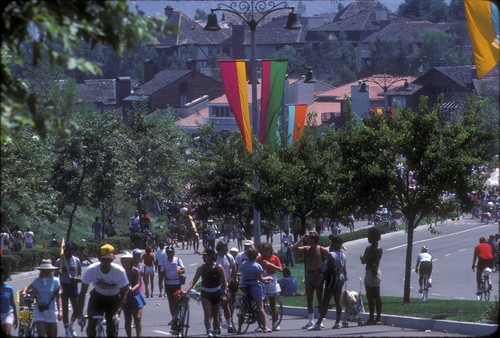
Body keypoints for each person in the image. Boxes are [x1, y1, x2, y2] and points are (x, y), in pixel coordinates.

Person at [76, 244, 129, 338]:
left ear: (113, 259)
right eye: (103, 260)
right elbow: (83, 293)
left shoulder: (119, 271)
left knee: (111, 326)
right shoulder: (91, 270)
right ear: (99, 259)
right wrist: (80, 314)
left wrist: (117, 312)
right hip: (97, 297)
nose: (106, 263)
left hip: (113, 298)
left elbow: (123, 294)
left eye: (108, 260)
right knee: (92, 323)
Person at [186, 248, 227, 338]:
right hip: (205, 293)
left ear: (211, 256)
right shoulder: (201, 268)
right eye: (203, 256)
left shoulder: (219, 268)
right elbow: (194, 280)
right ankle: (209, 331)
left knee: (215, 314)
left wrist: (225, 293)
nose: (203, 258)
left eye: (205, 256)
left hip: (216, 293)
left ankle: (215, 332)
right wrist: (188, 289)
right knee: (207, 312)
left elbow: (224, 281)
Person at [292, 232, 329, 329]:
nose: (308, 240)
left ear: (315, 239)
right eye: (308, 238)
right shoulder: (306, 249)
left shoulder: (321, 249)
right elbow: (293, 249)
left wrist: (325, 269)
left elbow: (330, 257)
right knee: (309, 298)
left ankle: (320, 320)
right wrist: (302, 239)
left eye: (310, 238)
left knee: (320, 298)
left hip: (318, 275)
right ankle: (311, 321)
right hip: (309, 274)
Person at [310, 236, 347, 330]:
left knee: (325, 301)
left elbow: (328, 269)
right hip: (340, 278)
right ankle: (337, 322)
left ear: (333, 244)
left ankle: (318, 323)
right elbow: (344, 270)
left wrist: (322, 279)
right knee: (338, 300)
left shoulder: (332, 255)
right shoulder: (343, 255)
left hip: (332, 279)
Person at [22, 259, 62, 337]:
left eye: (47, 270)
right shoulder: (37, 281)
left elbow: (59, 297)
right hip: (39, 309)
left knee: (50, 334)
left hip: (51, 309)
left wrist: (61, 311)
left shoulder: (56, 281)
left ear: (51, 271)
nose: (45, 272)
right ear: (41, 271)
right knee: (41, 334)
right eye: (43, 270)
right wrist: (24, 292)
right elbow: (27, 287)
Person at [239, 248, 273, 333]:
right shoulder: (257, 266)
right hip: (254, 285)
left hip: (245, 284)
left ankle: (239, 328)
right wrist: (268, 278)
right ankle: (264, 327)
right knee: (260, 306)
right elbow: (261, 279)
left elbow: (242, 273)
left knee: (243, 308)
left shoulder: (243, 264)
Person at [54, 241, 82, 337]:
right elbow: (54, 275)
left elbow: (79, 272)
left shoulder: (76, 260)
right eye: (67, 250)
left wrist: (77, 278)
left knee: (77, 309)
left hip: (73, 286)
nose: (69, 252)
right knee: (65, 310)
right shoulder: (59, 261)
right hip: (63, 286)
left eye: (70, 250)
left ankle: (71, 326)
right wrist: (58, 271)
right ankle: (66, 330)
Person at [256, 243, 282, 331]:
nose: (265, 252)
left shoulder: (275, 258)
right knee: (260, 304)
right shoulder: (259, 259)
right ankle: (261, 324)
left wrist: (270, 264)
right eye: (263, 250)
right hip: (262, 279)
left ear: (270, 251)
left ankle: (275, 322)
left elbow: (280, 269)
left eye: (267, 250)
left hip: (271, 279)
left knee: (272, 303)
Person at [360, 227, 383, 325]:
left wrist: (363, 257)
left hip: (374, 273)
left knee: (376, 296)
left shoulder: (377, 249)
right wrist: (364, 258)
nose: (367, 238)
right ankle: (371, 317)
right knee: (369, 296)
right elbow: (364, 261)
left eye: (369, 236)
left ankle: (377, 318)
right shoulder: (369, 248)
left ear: (374, 237)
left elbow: (365, 259)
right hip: (368, 272)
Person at [120, 252, 146, 338]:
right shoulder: (121, 271)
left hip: (135, 295)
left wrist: (132, 289)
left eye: (127, 260)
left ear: (131, 261)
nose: (125, 262)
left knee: (137, 318)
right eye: (124, 261)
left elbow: (138, 283)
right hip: (125, 296)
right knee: (127, 319)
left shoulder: (135, 270)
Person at [215, 241, 236, 333]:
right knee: (217, 305)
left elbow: (234, 266)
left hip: (226, 283)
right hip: (216, 284)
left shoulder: (229, 257)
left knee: (225, 304)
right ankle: (218, 325)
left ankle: (229, 325)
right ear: (220, 249)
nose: (227, 249)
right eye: (225, 248)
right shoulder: (215, 258)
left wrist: (231, 278)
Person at [160, 246, 185, 325]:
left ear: (173, 252)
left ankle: (177, 315)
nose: (169, 254)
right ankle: (174, 318)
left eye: (171, 252)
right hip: (168, 284)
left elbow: (183, 269)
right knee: (171, 302)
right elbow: (162, 274)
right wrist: (160, 284)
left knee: (177, 301)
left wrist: (180, 271)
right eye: (168, 252)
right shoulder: (164, 261)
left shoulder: (177, 260)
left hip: (177, 283)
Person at [1, 267, 18, 338]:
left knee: (7, 333)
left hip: (7, 313)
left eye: (1, 274)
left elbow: (13, 303)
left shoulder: (9, 288)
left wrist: (16, 318)